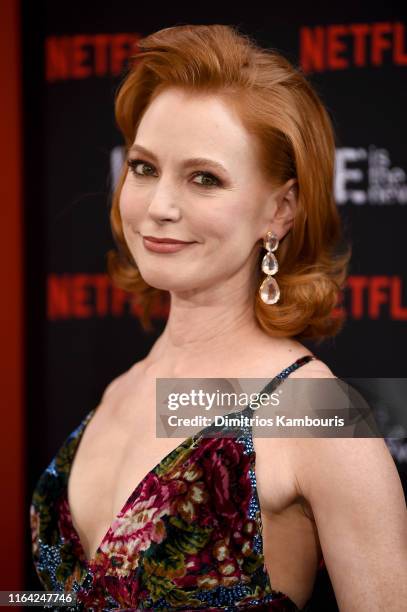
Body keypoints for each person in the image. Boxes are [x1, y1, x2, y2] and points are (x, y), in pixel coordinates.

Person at [30, 24, 407, 611]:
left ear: (279, 210)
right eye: (144, 167)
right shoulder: (122, 388)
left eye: (204, 178)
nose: (158, 207)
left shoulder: (318, 413)